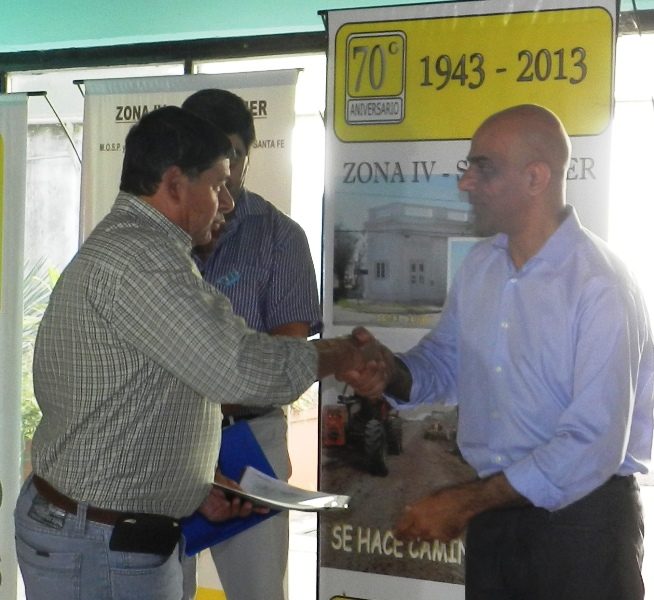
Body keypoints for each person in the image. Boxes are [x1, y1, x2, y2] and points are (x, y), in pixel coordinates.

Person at [14, 105, 383, 600]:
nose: (228, 202)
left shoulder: (145, 247)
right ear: (174, 184)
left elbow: (134, 398)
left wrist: (191, 485)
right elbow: (239, 369)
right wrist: (342, 355)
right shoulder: (143, 260)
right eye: (217, 185)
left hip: (108, 531)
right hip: (101, 543)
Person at [351, 104, 654, 599]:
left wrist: (465, 501)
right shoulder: (480, 267)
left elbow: (593, 443)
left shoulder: (599, 284)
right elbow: (446, 362)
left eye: (483, 168)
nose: (465, 183)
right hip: (496, 517)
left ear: (536, 178)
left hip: (583, 526)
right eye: (468, 167)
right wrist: (391, 371)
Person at [178, 88, 321, 600]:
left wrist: (204, 393)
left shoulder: (279, 236)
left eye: (233, 155)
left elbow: (287, 360)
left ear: (247, 156)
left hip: (248, 442)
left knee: (257, 592)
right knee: (159, 585)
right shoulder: (154, 238)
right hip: (164, 442)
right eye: (209, 155)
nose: (223, 169)